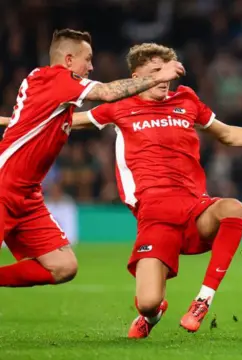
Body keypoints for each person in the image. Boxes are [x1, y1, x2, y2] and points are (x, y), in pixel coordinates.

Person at [64, 43, 242, 338]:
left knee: (233, 208)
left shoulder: (186, 101)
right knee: (147, 303)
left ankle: (202, 301)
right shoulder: (118, 107)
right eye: (155, 72)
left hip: (193, 208)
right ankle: (153, 314)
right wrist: (13, 123)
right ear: (136, 77)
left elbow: (227, 134)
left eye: (167, 71)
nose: (164, 78)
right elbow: (69, 122)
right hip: (154, 217)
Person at [0, 29, 184, 289]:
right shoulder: (56, 80)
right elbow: (108, 92)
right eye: (87, 59)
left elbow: (37, 119)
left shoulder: (50, 89)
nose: (91, 66)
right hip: (3, 186)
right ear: (68, 61)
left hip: (26, 196)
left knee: (63, 266)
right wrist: (159, 77)